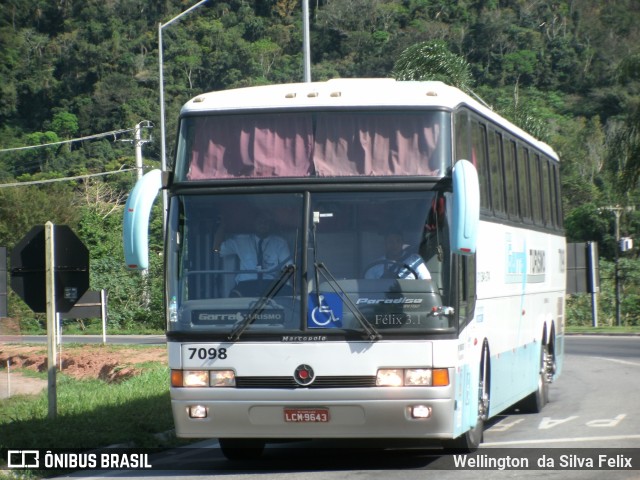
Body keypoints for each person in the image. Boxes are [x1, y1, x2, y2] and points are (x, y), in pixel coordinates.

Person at [213, 210, 291, 296]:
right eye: (260, 221)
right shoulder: (241, 240)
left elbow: (288, 267)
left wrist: (283, 283)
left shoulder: (280, 243)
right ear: (254, 223)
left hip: (270, 283)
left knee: (291, 295)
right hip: (246, 283)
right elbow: (217, 250)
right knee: (234, 297)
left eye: (266, 222)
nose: (263, 224)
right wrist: (222, 226)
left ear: (271, 224)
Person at [364, 232, 430, 280]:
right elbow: (368, 288)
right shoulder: (375, 266)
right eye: (390, 241)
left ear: (402, 243)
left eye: (398, 241)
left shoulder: (414, 260)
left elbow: (426, 281)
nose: (394, 245)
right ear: (385, 244)